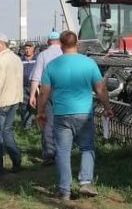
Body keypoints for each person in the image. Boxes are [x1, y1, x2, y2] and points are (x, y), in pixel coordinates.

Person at [36, 30, 113, 200]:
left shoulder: (53, 65)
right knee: (87, 147)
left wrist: (40, 111)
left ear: (61, 45)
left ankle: (64, 189)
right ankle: (85, 182)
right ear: (77, 44)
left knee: (63, 151)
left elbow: (44, 92)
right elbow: (100, 88)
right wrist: (107, 107)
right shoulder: (89, 63)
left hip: (61, 114)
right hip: (84, 113)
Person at [0, 34, 23, 175]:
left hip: (1, 102)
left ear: (1, 44)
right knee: (7, 131)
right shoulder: (15, 58)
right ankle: (16, 158)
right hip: (13, 100)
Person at [28, 31, 62, 163]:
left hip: (47, 90)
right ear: (60, 41)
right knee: (64, 121)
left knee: (48, 121)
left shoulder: (43, 55)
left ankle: (49, 154)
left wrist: (32, 95)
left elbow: (36, 77)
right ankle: (63, 151)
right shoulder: (65, 54)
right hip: (64, 91)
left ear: (48, 42)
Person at [18, 41, 38, 130]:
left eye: (29, 48)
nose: (27, 50)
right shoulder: (20, 60)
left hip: (36, 87)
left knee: (37, 106)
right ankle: (26, 126)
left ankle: (38, 125)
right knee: (24, 107)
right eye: (26, 48)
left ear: (33, 49)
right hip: (23, 87)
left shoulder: (37, 59)